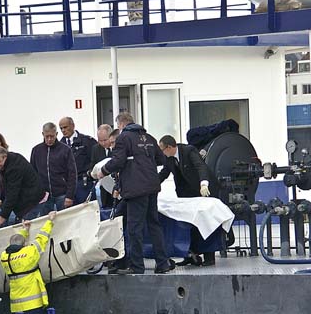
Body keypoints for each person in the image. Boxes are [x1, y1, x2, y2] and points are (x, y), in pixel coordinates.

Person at [97, 112, 173, 275]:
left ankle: (137, 266)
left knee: (134, 228)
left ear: (121, 125)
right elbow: (161, 160)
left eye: (118, 126)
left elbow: (118, 161)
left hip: (135, 188)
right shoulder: (149, 137)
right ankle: (163, 263)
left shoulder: (124, 138)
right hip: (152, 187)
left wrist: (102, 171)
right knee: (154, 225)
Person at [0, 210, 57, 314]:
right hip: (33, 305)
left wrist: (24, 230)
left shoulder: (4, 257)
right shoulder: (29, 254)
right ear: (23, 245)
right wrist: (50, 220)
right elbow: (42, 239)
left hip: (17, 307)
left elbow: (17, 243)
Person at [158, 134, 219, 266]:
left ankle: (209, 256)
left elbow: (200, 166)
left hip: (203, 190)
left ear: (169, 147)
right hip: (186, 194)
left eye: (162, 149)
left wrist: (204, 184)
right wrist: (150, 185)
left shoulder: (188, 150)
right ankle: (191, 254)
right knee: (188, 224)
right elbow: (163, 173)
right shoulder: (169, 159)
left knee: (206, 221)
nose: (161, 153)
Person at [0, 146, 44, 227]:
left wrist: (3, 216)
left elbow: (12, 193)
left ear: (5, 157)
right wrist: (1, 198)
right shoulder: (7, 163)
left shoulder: (14, 167)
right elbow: (5, 186)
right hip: (24, 202)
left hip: (32, 203)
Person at [30, 122, 76, 213]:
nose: (49, 139)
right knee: (46, 224)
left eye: (52, 136)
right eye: (47, 136)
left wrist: (70, 195)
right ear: (43, 134)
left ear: (56, 134)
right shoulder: (36, 150)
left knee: (65, 221)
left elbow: (72, 173)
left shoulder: (65, 150)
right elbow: (33, 173)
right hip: (44, 196)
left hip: (62, 194)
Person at [59, 116, 98, 203]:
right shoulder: (59, 146)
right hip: (67, 185)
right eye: (61, 128)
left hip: (84, 183)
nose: (63, 130)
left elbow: (96, 160)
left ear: (72, 126)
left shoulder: (87, 141)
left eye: (65, 127)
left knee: (87, 211)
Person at [91, 124, 116, 208]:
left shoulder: (118, 147)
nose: (103, 143)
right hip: (104, 188)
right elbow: (93, 165)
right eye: (100, 140)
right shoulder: (95, 149)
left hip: (117, 187)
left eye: (105, 140)